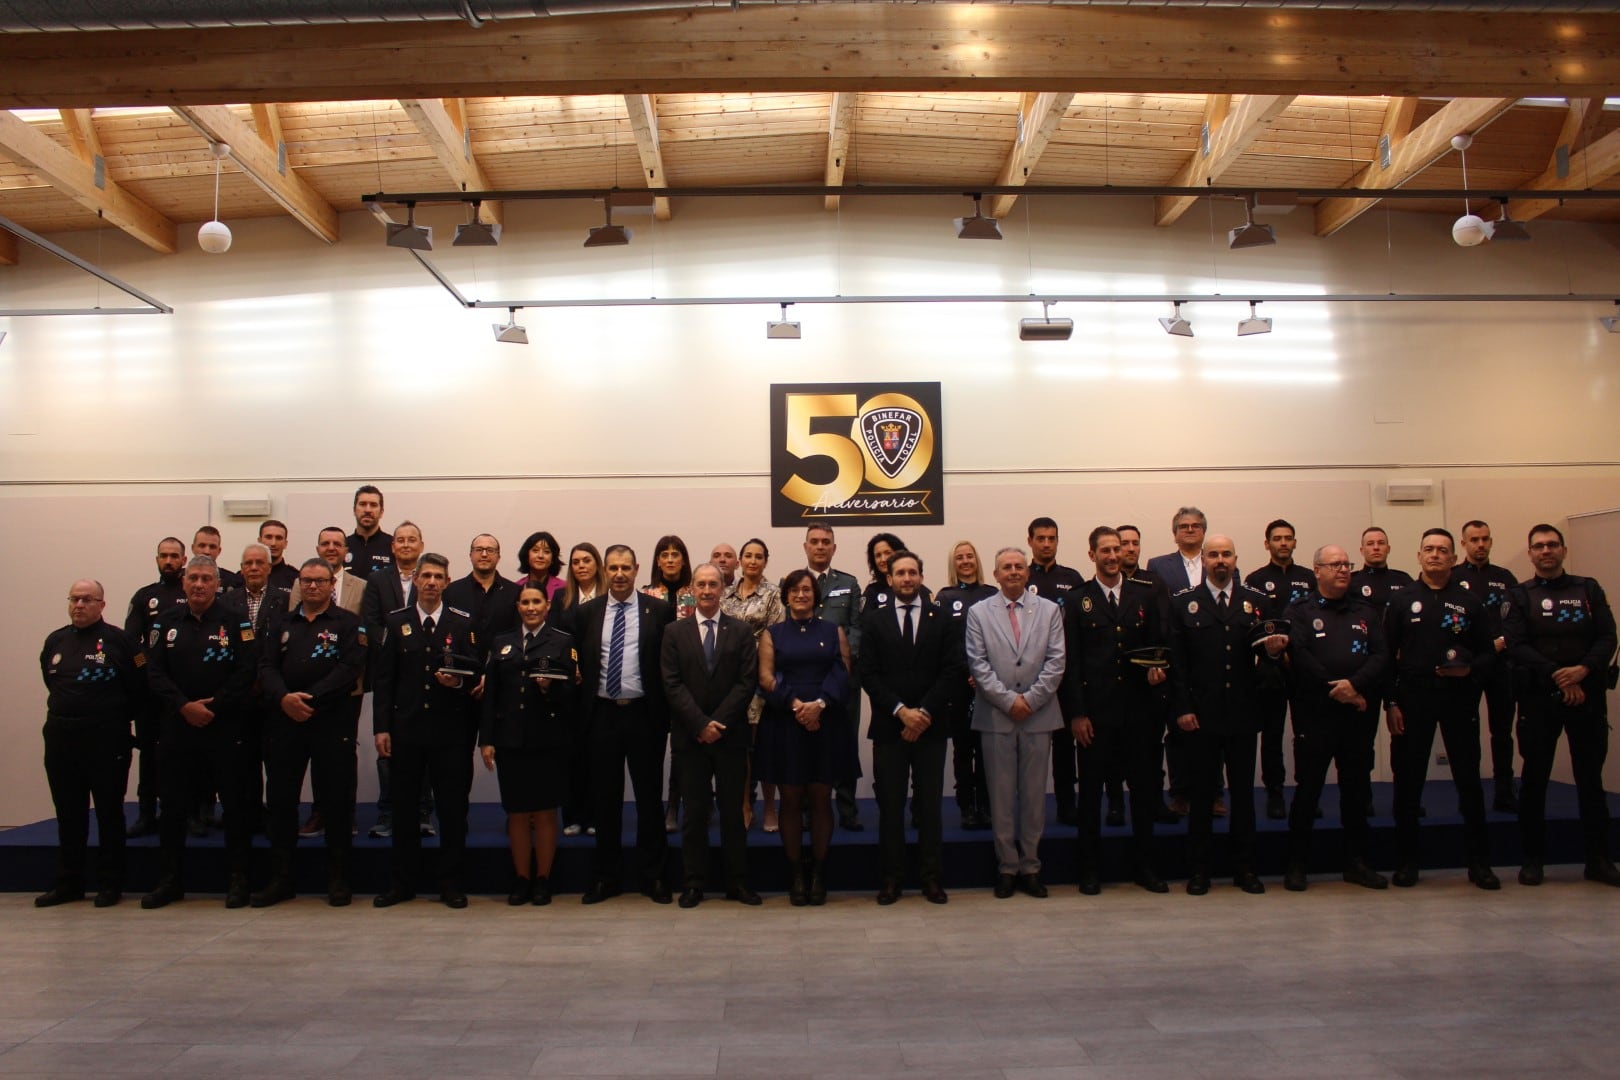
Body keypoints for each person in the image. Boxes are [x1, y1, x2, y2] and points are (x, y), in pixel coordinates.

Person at [1384, 528, 1500, 889]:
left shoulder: (1471, 603)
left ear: (1454, 558)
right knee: (1408, 784)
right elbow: (1385, 657)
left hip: (1458, 698)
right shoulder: (1402, 601)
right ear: (1419, 556)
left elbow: (1489, 653)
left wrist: (1472, 671)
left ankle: (1479, 864)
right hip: (1412, 699)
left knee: (1469, 782)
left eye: (1443, 550)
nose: (1435, 555)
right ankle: (1406, 863)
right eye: (1429, 549)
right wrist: (1390, 702)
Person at [1504, 524, 1620, 887]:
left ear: (1563, 551)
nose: (1546, 551)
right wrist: (1558, 675)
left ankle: (1598, 860)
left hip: (1586, 695)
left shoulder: (1588, 589)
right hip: (1540, 698)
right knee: (1535, 781)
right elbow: (1516, 644)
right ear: (1530, 554)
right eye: (1539, 546)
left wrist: (1583, 670)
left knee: (1590, 781)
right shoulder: (1520, 595)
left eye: (1552, 545)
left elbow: (1607, 636)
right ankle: (1532, 861)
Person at [141, 556, 259, 909]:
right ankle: (170, 881)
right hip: (179, 728)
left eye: (207, 578)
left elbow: (246, 670)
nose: (199, 584)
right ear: (183, 583)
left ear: (217, 584)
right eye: (193, 578)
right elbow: (155, 674)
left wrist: (214, 706)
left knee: (235, 808)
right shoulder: (164, 623)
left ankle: (238, 881)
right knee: (174, 808)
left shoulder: (236, 622)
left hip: (224, 727)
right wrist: (184, 706)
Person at [1167, 534, 1282, 895]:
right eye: (1213, 554)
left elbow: (1269, 662)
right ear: (1203, 559)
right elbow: (1177, 665)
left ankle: (1244, 868)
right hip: (1201, 717)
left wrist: (1276, 655)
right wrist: (1182, 709)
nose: (1220, 560)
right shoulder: (1184, 604)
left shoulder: (1258, 603)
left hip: (1243, 715)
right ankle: (1199, 871)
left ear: (1236, 559)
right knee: (1201, 797)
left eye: (1226, 554)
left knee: (1244, 796)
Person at [1062, 527, 1172, 894]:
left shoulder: (1145, 593)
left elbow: (1159, 646)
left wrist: (1159, 670)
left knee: (1142, 794)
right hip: (1096, 715)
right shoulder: (1079, 600)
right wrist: (1077, 714)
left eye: (1118, 548)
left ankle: (1145, 867)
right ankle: (1090, 870)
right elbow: (1071, 663)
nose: (1113, 555)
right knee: (1091, 796)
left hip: (1139, 712)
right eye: (1105, 550)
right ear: (1091, 555)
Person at [252, 558, 367, 907]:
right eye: (307, 581)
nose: (313, 586)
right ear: (299, 584)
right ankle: (282, 879)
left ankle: (337, 880)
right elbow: (265, 665)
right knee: (283, 801)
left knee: (334, 801)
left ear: (333, 584)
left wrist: (310, 699)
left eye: (320, 580)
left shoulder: (349, 624)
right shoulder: (280, 623)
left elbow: (350, 668)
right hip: (286, 722)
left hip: (331, 721)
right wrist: (284, 698)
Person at [371, 552, 480, 909]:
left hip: (451, 733)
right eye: (426, 576)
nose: (432, 582)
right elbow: (384, 680)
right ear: (415, 580)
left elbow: (475, 677)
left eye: (438, 577)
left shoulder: (462, 623)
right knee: (404, 810)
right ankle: (402, 883)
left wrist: (458, 684)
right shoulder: (396, 621)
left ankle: (451, 884)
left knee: (452, 810)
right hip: (407, 731)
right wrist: (381, 728)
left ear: (447, 583)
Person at [1281, 545, 1390, 892]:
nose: (1343, 570)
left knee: (1356, 789)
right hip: (1316, 713)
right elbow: (1299, 655)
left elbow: (1381, 654)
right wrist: (1338, 689)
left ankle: (1356, 863)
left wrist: (1354, 686)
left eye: (1346, 564)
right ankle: (1297, 865)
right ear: (1317, 570)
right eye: (1335, 565)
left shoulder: (1366, 610)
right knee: (1308, 789)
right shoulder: (1299, 610)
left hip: (1358, 713)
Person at [575, 544, 676, 904]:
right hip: (601, 714)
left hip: (643, 714)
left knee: (649, 799)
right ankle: (606, 877)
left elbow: (669, 664)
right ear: (606, 570)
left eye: (625, 568)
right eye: (613, 568)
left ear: (636, 570)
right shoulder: (587, 613)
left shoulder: (659, 610)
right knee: (605, 800)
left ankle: (654, 877)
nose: (619, 574)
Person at [860, 550, 961, 905]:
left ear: (921, 576)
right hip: (890, 728)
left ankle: (931, 879)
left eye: (912, 573)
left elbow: (952, 671)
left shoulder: (942, 618)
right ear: (889, 579)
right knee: (890, 807)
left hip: (930, 727)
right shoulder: (874, 621)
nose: (906, 579)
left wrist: (923, 714)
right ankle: (892, 879)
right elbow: (868, 674)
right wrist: (902, 712)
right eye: (899, 573)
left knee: (930, 806)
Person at [36, 579, 144, 908]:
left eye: (86, 599)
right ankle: (69, 882)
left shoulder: (121, 642)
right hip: (61, 738)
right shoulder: (55, 640)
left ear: (102, 604)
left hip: (105, 739)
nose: (79, 605)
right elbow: (49, 680)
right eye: (74, 599)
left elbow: (139, 687)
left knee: (109, 812)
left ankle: (110, 884)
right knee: (69, 813)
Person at [966, 546, 1065, 900]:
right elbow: (977, 663)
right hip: (997, 715)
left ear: (1027, 573)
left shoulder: (1050, 610)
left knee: (1035, 798)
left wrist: (1031, 700)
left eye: (1018, 567)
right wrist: (1010, 701)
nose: (1012, 572)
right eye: (1006, 567)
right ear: (995, 575)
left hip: (1039, 715)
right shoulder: (979, 613)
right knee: (1002, 796)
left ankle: (1032, 866)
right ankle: (1007, 867)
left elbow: (1056, 662)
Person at [661, 563, 761, 908]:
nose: (706, 590)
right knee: (695, 813)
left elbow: (747, 682)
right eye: (701, 584)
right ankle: (694, 883)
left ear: (722, 588)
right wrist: (699, 724)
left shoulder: (741, 632)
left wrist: (717, 723)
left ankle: (737, 883)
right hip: (691, 739)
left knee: (734, 813)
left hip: (730, 737)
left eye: (713, 585)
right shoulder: (674, 632)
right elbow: (671, 684)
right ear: (692, 588)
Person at [756, 568, 856, 905]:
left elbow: (842, 672)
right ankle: (796, 872)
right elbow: (766, 678)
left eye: (807, 590)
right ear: (785, 595)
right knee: (791, 798)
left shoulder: (833, 630)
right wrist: (797, 705)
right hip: (786, 721)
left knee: (820, 797)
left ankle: (819, 873)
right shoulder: (773, 633)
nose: (801, 595)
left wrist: (819, 704)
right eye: (795, 590)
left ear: (816, 596)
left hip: (825, 721)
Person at [479, 583, 578, 906]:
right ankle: (521, 878)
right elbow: (491, 695)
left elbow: (571, 697)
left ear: (547, 606)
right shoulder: (502, 642)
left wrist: (551, 688)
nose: (531, 607)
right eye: (525, 602)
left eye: (537, 602)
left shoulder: (562, 642)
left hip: (548, 739)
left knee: (546, 813)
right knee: (518, 813)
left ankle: (543, 879)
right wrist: (487, 740)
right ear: (518, 606)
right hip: (510, 740)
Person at [289, 525, 368, 840]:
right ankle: (319, 812)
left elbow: (365, 636)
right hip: (306, 687)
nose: (331, 548)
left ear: (346, 550)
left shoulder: (362, 587)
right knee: (312, 752)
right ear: (318, 547)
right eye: (325, 543)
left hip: (348, 685)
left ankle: (343, 815)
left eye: (338, 543)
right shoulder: (302, 583)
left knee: (342, 755)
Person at [1244, 519, 1317, 821]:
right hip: (1271, 669)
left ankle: (1306, 793)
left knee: (1307, 734)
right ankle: (1274, 792)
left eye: (1288, 538)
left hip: (1304, 669)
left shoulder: (1310, 579)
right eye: (1277, 538)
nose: (1283, 543)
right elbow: (1250, 628)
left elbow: (1316, 623)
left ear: (1295, 543)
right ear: (1267, 544)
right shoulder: (1255, 579)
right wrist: (1276, 656)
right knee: (1272, 734)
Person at [362, 520, 428, 840]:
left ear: (421, 545)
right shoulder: (376, 580)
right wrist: (398, 643)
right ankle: (388, 812)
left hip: (422, 672)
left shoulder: (430, 576)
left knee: (425, 745)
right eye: (400, 540)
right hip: (388, 670)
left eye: (411, 539)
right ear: (392, 546)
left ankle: (423, 812)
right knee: (386, 745)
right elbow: (371, 622)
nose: (405, 544)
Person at [800, 524, 864, 832]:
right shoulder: (796, 583)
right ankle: (810, 810)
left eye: (826, 542)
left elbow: (855, 628)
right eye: (815, 542)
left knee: (845, 745)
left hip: (843, 680)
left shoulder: (849, 583)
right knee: (809, 746)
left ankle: (848, 809)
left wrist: (840, 665)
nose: (820, 546)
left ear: (834, 548)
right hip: (808, 682)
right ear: (806, 547)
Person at [720, 537, 786, 831]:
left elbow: (775, 637)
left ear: (765, 561)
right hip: (731, 680)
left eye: (759, 556)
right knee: (740, 748)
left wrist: (764, 675)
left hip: (762, 678)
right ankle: (745, 804)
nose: (753, 561)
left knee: (766, 745)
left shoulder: (774, 594)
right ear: (740, 561)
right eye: (748, 555)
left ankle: (770, 806)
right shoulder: (725, 594)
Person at [1455, 519, 1521, 813]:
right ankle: (1469, 793)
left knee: (1502, 731)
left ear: (1490, 542)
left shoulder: (1505, 577)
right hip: (1468, 666)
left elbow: (1519, 620)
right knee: (1466, 733)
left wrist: (1501, 642)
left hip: (1501, 665)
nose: (1480, 544)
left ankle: (1504, 789)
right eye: (1474, 539)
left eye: (1485, 539)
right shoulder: (1454, 578)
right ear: (1464, 543)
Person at [123, 536, 187, 837]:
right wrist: (146, 671)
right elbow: (130, 645)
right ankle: (147, 814)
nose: (169, 561)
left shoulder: (194, 592)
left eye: (175, 556)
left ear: (184, 560)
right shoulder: (144, 596)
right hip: (151, 692)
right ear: (157, 559)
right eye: (164, 556)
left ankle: (189, 815)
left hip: (185, 692)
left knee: (186, 755)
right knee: (149, 753)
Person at [934, 540, 996, 831]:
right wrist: (968, 671)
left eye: (970, 555)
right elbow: (945, 643)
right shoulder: (945, 598)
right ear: (953, 563)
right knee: (963, 748)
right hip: (959, 684)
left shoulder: (992, 594)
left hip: (991, 685)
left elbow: (1000, 641)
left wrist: (984, 674)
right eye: (960, 557)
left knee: (987, 749)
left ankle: (986, 804)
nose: (966, 561)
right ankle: (966, 807)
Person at [643, 534, 696, 833]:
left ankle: (674, 805)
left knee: (681, 750)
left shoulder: (696, 593)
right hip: (652, 683)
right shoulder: (647, 595)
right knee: (652, 748)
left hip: (687, 683)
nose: (671, 559)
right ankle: (653, 805)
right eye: (664, 554)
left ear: (684, 560)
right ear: (658, 561)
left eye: (676, 553)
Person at [554, 541, 606, 837]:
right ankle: (572, 815)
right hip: (571, 686)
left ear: (597, 564)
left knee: (598, 756)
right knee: (572, 755)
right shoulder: (562, 597)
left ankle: (596, 816)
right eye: (576, 562)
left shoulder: (608, 597)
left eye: (587, 560)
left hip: (601, 685)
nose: (581, 566)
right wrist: (568, 665)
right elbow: (556, 637)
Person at [444, 533, 522, 645]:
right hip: (461, 659)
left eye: (490, 550)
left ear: (498, 557)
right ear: (470, 555)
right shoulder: (452, 591)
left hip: (503, 659)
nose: (484, 554)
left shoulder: (515, 592)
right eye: (479, 549)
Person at [1349, 526, 1414, 611]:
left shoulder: (1403, 580)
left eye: (1381, 543)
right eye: (1370, 543)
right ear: (1362, 550)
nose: (1376, 547)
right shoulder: (1351, 582)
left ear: (1388, 549)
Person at [1146, 506, 1208, 593]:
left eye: (1196, 526)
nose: (1190, 530)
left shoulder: (1219, 561)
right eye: (1184, 526)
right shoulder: (1158, 566)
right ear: (1175, 534)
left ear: (1204, 532)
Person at [346, 484, 393, 577]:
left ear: (381, 512)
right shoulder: (343, 546)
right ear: (354, 510)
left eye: (373, 505)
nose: (367, 510)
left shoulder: (393, 546)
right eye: (363, 504)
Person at [515, 530, 566, 601]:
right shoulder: (516, 587)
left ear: (553, 558)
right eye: (535, 550)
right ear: (527, 555)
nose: (540, 556)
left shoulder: (565, 588)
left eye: (546, 552)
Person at [259, 519, 298, 591]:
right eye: (268, 537)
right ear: (259, 541)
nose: (273, 543)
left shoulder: (296, 578)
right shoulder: (245, 576)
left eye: (279, 538)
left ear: (285, 544)